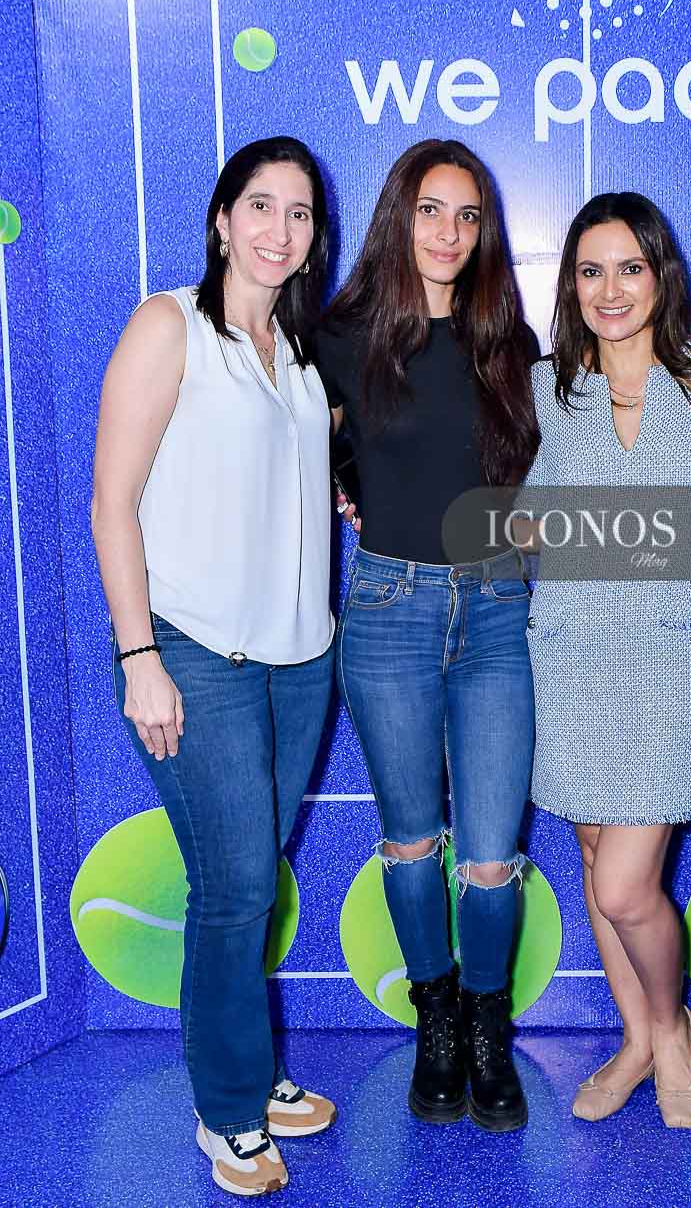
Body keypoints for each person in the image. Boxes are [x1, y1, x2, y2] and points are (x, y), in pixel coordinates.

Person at [91, 137, 338, 1197]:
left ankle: (252, 1067)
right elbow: (112, 502)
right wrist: (139, 655)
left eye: (300, 213)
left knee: (252, 880)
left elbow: (284, 474)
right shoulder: (168, 324)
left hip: (300, 658)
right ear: (224, 220)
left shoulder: (300, 350)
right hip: (196, 650)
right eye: (262, 206)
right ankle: (230, 1110)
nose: (281, 229)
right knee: (234, 887)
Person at [315, 139, 540, 1132]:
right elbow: (290, 440)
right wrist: (344, 482)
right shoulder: (339, 338)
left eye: (468, 215)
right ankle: (435, 1020)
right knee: (411, 843)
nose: (450, 233)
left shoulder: (507, 342)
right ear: (397, 217)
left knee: (490, 857)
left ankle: (488, 1028)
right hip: (388, 612)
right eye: (431, 211)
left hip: (496, 611)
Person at [522, 192, 691, 1129]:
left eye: (629, 267)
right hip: (571, 648)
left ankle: (672, 1029)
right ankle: (633, 1037)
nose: (610, 290)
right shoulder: (548, 387)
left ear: (662, 272)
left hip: (674, 656)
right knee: (593, 857)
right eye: (590, 271)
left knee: (626, 885)